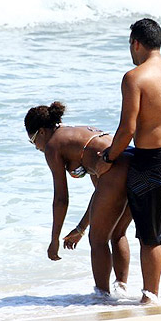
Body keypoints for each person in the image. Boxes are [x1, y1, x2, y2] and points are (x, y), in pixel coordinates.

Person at [95, 18, 161, 303]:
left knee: (150, 236)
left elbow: (126, 129)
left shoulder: (134, 77)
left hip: (151, 163)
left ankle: (150, 296)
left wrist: (108, 157)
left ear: (136, 43)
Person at [24, 101, 133, 296]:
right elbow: (100, 194)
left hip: (117, 170)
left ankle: (102, 297)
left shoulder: (53, 145)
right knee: (118, 233)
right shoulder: (79, 137)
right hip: (135, 164)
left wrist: (54, 239)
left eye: (33, 141)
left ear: (41, 132)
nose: (37, 148)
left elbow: (61, 198)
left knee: (98, 239)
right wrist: (80, 228)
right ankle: (121, 289)